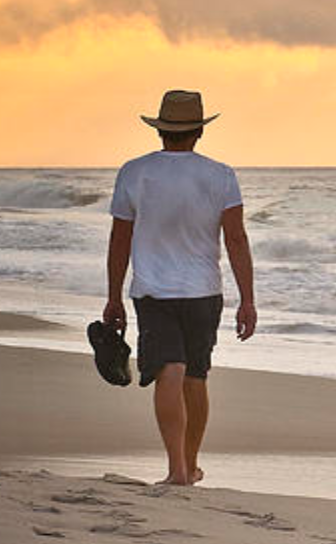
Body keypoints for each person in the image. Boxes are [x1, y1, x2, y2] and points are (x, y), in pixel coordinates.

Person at [103, 89, 256, 486]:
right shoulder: (220, 175)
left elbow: (120, 239)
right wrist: (248, 301)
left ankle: (176, 469)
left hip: (152, 291)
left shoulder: (134, 172)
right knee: (196, 376)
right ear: (199, 132)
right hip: (204, 290)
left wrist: (113, 296)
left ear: (160, 131)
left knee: (169, 370)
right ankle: (189, 464)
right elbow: (236, 239)